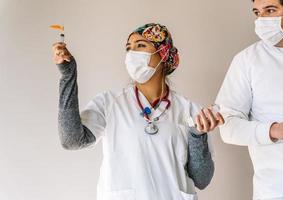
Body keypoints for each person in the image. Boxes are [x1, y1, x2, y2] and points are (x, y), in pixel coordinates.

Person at [53, 23, 224, 200]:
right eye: (128, 48)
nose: (132, 53)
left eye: (140, 45)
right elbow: (71, 140)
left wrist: (197, 135)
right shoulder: (110, 103)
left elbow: (202, 180)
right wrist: (68, 76)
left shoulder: (189, 110)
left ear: (163, 53)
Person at [215, 0, 283, 199]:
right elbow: (228, 127)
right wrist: (273, 130)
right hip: (277, 191)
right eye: (257, 12)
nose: (261, 19)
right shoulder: (247, 61)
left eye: (270, 10)